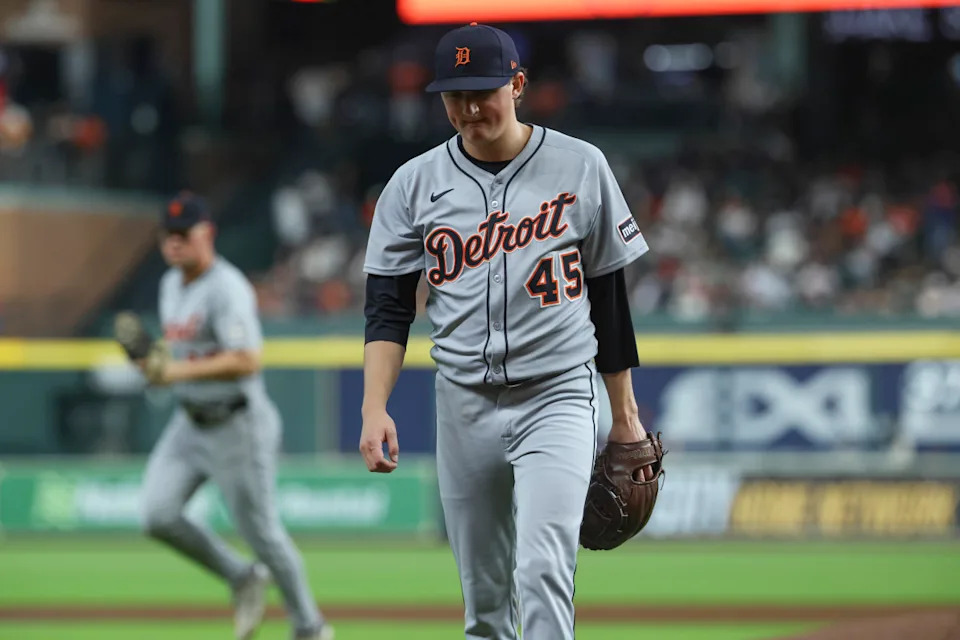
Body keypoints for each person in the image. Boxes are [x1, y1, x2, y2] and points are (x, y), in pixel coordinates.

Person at [359, 23, 652, 640]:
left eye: (483, 90)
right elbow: (387, 308)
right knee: (485, 606)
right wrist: (374, 407)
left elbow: (610, 301)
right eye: (454, 94)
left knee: (543, 566)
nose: (468, 107)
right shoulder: (413, 184)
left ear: (517, 85)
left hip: (558, 394)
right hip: (463, 402)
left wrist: (623, 416)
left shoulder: (581, 165)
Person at [137, 192, 333, 640]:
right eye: (167, 236)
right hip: (188, 424)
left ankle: (311, 626)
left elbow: (247, 359)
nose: (174, 244)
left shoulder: (228, 287)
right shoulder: (172, 284)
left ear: (207, 233)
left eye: (183, 234)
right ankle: (241, 576)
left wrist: (177, 369)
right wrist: (156, 365)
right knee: (156, 514)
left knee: (263, 533)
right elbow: (180, 350)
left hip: (237, 425)